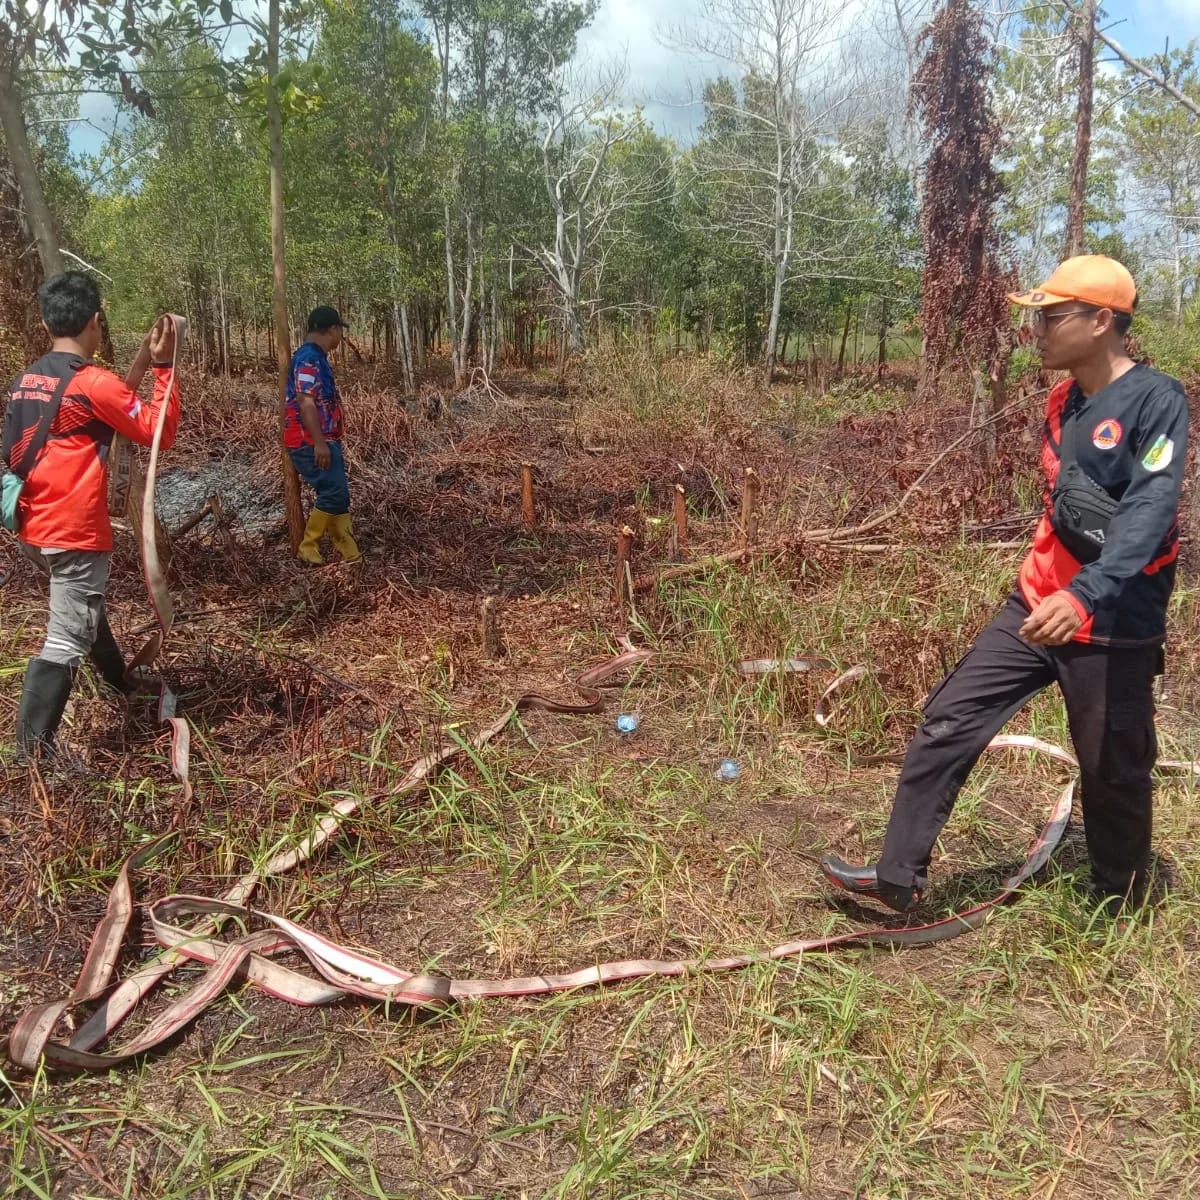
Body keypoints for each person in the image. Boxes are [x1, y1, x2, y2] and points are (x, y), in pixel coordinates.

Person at [820, 255, 1189, 916]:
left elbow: (1149, 512)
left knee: (1113, 770)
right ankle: (897, 878)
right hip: (1036, 604)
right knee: (949, 718)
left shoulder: (1156, 401)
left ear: (1101, 320)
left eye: (1050, 316)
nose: (1037, 331)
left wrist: (1085, 592)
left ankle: (1120, 901)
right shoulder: (1061, 400)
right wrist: (1051, 584)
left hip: (1109, 619)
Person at [4, 271, 181, 759]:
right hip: (72, 530)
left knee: (85, 608)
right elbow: (159, 431)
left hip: (32, 527)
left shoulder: (26, 380)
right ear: (96, 322)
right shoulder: (92, 383)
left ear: (45, 321)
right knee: (65, 638)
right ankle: (34, 755)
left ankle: (119, 680)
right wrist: (164, 367)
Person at [285, 306, 360, 565]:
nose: (340, 336)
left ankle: (350, 552)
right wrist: (319, 443)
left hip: (324, 439)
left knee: (339, 496)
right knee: (333, 493)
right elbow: (305, 401)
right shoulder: (308, 358)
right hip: (311, 441)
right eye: (340, 330)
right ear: (333, 329)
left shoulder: (316, 357)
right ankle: (308, 546)